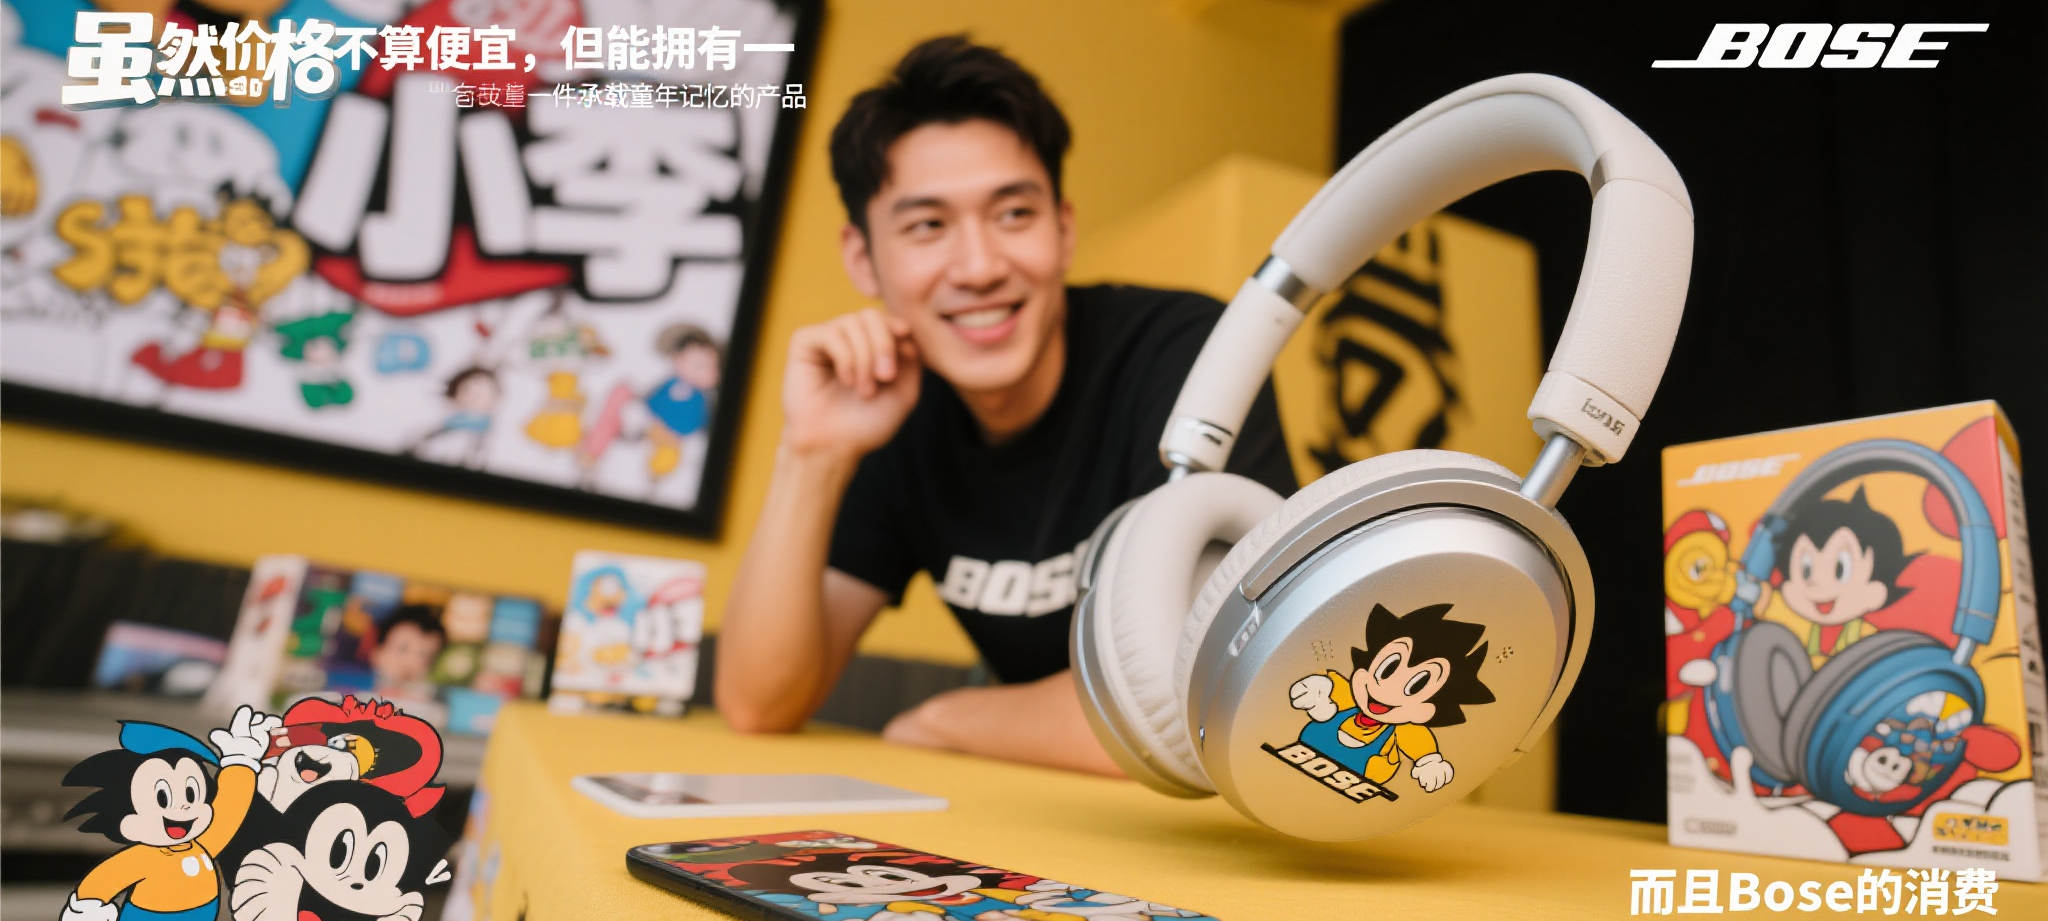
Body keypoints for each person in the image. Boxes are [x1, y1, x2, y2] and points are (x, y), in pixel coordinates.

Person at [716, 35, 1295, 775]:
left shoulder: (1192, 354)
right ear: (863, 259)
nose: (981, 266)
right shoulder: (894, 408)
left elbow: (1217, 695)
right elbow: (758, 702)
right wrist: (813, 453)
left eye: (1014, 213)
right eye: (928, 226)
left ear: (1063, 229)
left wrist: (948, 717)